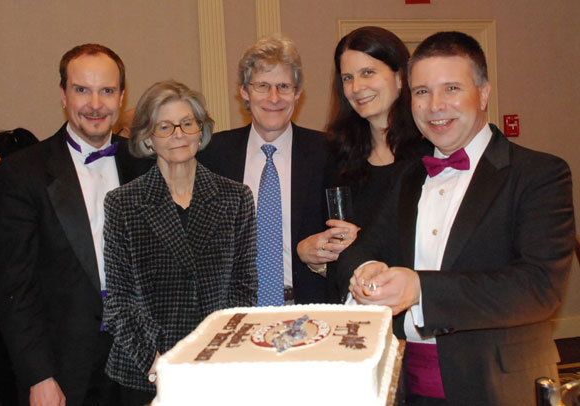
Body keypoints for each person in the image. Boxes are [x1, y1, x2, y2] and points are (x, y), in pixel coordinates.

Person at [338, 31, 575, 405]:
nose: (435, 106)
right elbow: (363, 247)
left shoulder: (539, 173)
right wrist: (367, 268)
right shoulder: (408, 176)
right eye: (421, 92)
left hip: (497, 387)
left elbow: (538, 288)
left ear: (483, 93)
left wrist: (421, 290)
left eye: (451, 89)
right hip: (404, 385)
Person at [0, 43, 152, 406]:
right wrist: (38, 375)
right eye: (82, 90)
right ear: (63, 95)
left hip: (140, 368)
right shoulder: (23, 173)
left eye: (107, 91)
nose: (95, 104)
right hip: (64, 373)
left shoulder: (144, 164)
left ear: (122, 97)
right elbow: (13, 286)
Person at [103, 80, 257, 405]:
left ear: (200, 131)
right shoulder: (123, 203)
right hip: (145, 371)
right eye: (165, 126)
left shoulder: (235, 198)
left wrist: (211, 355)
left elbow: (244, 288)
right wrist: (157, 363)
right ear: (147, 137)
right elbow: (119, 301)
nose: (178, 134)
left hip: (216, 368)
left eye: (187, 123)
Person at [296, 26, 424, 302]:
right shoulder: (335, 157)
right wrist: (312, 255)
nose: (357, 88)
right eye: (348, 78)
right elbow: (326, 245)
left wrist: (362, 244)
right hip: (355, 316)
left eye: (368, 73)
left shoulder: (430, 155)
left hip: (415, 317)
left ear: (400, 77)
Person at [198, 34, 328, 305]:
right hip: (234, 311)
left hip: (309, 310)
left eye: (283, 86)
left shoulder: (328, 152)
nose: (273, 98)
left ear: (298, 93)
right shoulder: (213, 154)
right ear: (244, 92)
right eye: (262, 86)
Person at [0, 127, 39, 405]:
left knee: (4, 378)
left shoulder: (25, 199)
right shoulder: (12, 199)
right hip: (2, 310)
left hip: (11, 314)